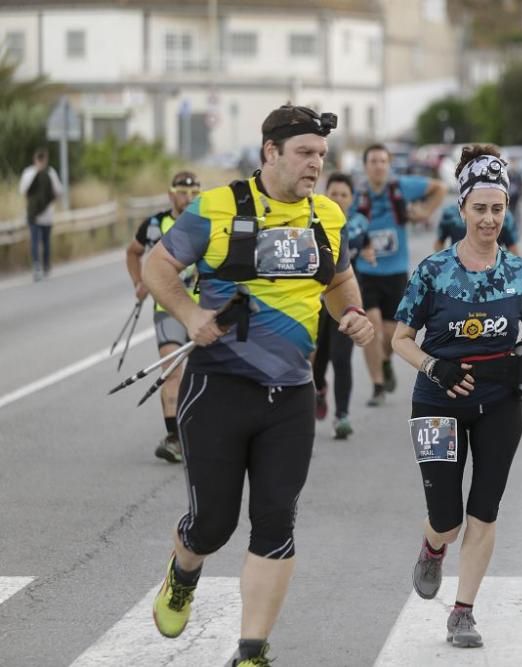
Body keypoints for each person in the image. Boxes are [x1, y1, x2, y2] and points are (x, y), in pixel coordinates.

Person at [141, 105, 374, 667]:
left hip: (291, 396)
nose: (316, 165)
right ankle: (183, 571)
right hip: (218, 389)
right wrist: (190, 313)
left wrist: (354, 315)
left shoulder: (326, 217)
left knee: (275, 520)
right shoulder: (217, 208)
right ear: (270, 152)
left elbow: (339, 279)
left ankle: (251, 651)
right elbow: (157, 266)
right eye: (304, 154)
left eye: (321, 155)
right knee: (212, 524)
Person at [391, 144, 522, 648]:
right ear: (461, 209)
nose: (489, 219)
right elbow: (399, 339)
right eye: (479, 208)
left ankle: (462, 612)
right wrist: (433, 365)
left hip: (500, 406)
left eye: (498, 209)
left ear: (507, 210)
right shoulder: (433, 271)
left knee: (483, 510)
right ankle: (433, 545)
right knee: (447, 518)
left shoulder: (521, 274)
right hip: (437, 403)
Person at [351, 143, 446, 407]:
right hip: (366, 272)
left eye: (383, 161)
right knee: (372, 326)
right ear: (365, 165)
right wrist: (358, 246)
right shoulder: (357, 195)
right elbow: (342, 224)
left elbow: (440, 188)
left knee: (390, 334)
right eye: (373, 161)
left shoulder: (400, 188)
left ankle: (385, 362)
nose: (378, 165)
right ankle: (378, 385)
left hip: (395, 273)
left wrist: (425, 212)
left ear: (389, 165)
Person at [125, 171, 201, 463]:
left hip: (202, 311)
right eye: (183, 192)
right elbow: (133, 253)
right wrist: (139, 282)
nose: (189, 198)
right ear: (171, 194)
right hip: (167, 309)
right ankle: (174, 438)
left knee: (203, 377)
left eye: (195, 192)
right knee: (171, 372)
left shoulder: (206, 223)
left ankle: (198, 431)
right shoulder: (156, 225)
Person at [313, 172, 375, 439]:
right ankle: (319, 390)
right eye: (333, 193)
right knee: (316, 361)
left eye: (343, 194)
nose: (337, 198)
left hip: (344, 300)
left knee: (341, 359)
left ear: (351, 199)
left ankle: (342, 415)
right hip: (315, 303)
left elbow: (368, 246)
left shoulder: (357, 225)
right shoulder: (312, 222)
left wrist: (369, 254)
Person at [19, 148, 64, 281]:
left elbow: (58, 190)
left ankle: (45, 265)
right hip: (33, 214)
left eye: (42, 159)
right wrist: (37, 173)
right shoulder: (29, 173)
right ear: (35, 159)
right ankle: (37, 266)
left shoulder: (50, 173)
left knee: (45, 242)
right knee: (35, 241)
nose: (41, 161)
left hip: (47, 215)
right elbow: (23, 190)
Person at [433, 202, 519, 255]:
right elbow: (439, 242)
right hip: (456, 270)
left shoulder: (505, 217)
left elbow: (512, 248)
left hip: (493, 271)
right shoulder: (450, 214)